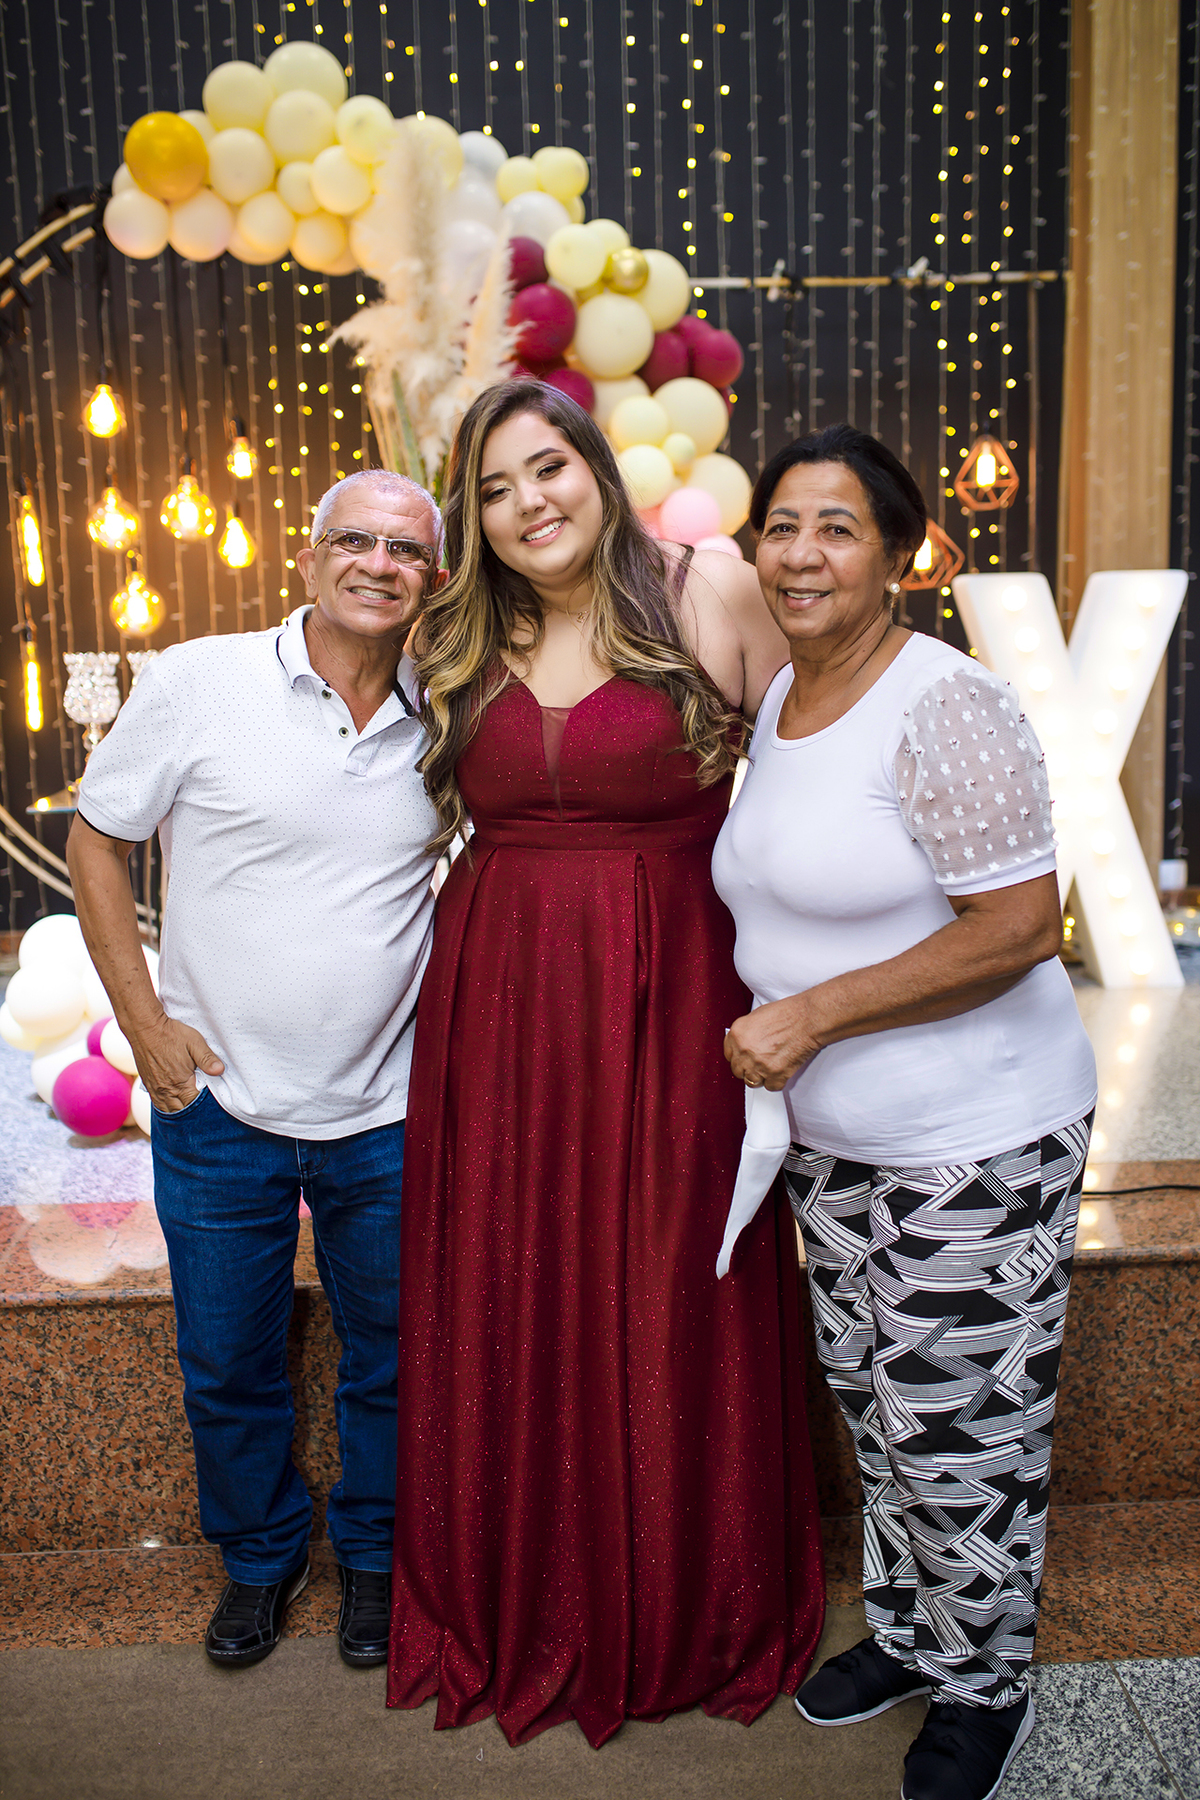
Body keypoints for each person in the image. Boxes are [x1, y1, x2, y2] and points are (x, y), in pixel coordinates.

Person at [387, 378, 825, 1747]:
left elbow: (816, 783)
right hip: (500, 1011)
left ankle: (690, 1594)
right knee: (512, 1274)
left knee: (672, 1269)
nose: (530, 503)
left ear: (594, 465)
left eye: (548, 467)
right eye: (495, 489)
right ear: (472, 519)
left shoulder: (707, 589)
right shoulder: (454, 635)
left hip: (678, 994)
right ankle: (522, 1589)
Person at [711, 423, 1097, 1800]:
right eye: (782, 526)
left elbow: (1019, 927)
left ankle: (989, 1689)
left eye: (838, 528)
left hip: (974, 1139)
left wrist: (812, 1015)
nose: (802, 554)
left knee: (961, 1429)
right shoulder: (783, 695)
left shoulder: (946, 702)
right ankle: (918, 1633)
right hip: (838, 1142)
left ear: (899, 557)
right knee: (880, 1408)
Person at [65, 470, 445, 1672]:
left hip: (388, 1108)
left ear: (434, 579)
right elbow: (96, 840)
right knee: (226, 1360)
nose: (378, 564)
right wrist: (143, 1024)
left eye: (406, 549)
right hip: (218, 1103)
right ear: (309, 556)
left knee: (395, 1356)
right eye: (355, 540)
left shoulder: (452, 709)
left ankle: (376, 1557)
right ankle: (261, 1559)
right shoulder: (198, 680)